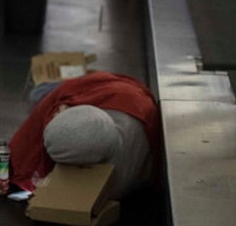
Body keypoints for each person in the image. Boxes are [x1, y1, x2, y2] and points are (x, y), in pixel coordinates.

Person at [10, 72, 161, 200]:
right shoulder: (120, 174)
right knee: (45, 92)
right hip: (111, 92)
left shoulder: (116, 182)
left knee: (40, 93)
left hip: (110, 94)